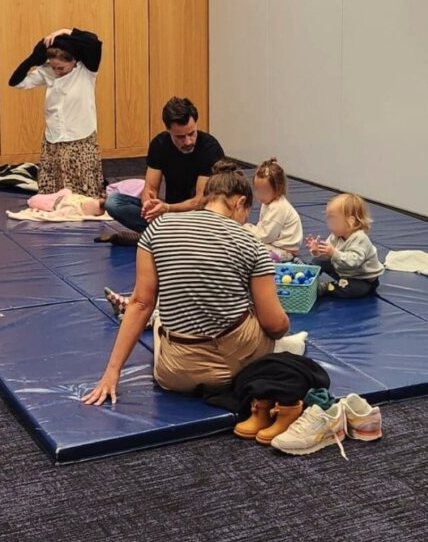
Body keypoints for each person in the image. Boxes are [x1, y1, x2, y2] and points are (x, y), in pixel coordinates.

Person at [82, 169, 290, 402]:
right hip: (239, 364)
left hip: (176, 374)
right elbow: (275, 324)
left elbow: (141, 303)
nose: (244, 221)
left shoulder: (157, 228)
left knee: (160, 318)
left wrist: (112, 371)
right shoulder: (252, 243)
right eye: (246, 215)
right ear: (240, 203)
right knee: (262, 316)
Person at [103, 97, 225, 235]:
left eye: (191, 134)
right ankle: (169, 235)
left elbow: (200, 202)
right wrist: (149, 204)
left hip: (200, 217)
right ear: (168, 130)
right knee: (113, 202)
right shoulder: (160, 144)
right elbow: (150, 188)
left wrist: (167, 208)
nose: (188, 141)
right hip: (170, 214)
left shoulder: (210, 149)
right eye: (180, 137)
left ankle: (163, 235)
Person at [7, 28, 105, 196]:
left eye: (61, 68)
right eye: (54, 67)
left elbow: (94, 42)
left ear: (74, 60)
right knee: (53, 191)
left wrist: (66, 31)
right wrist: (33, 59)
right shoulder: (48, 72)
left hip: (80, 139)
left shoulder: (86, 71)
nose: (57, 72)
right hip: (53, 139)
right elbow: (16, 82)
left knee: (83, 194)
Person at [306, 194, 384, 298]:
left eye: (333, 220)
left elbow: (353, 262)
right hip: (343, 270)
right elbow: (327, 256)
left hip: (361, 278)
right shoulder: (335, 236)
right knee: (319, 261)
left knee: (353, 289)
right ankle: (308, 275)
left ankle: (327, 287)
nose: (329, 224)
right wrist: (318, 252)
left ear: (350, 221)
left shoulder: (360, 238)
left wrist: (333, 253)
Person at [244, 158, 304, 262]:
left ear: (278, 189)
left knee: (252, 249)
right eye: (257, 189)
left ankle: (289, 261)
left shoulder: (278, 207)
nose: (259, 195)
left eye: (264, 191)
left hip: (284, 251)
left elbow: (267, 236)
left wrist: (248, 232)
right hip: (274, 244)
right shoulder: (268, 202)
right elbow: (263, 225)